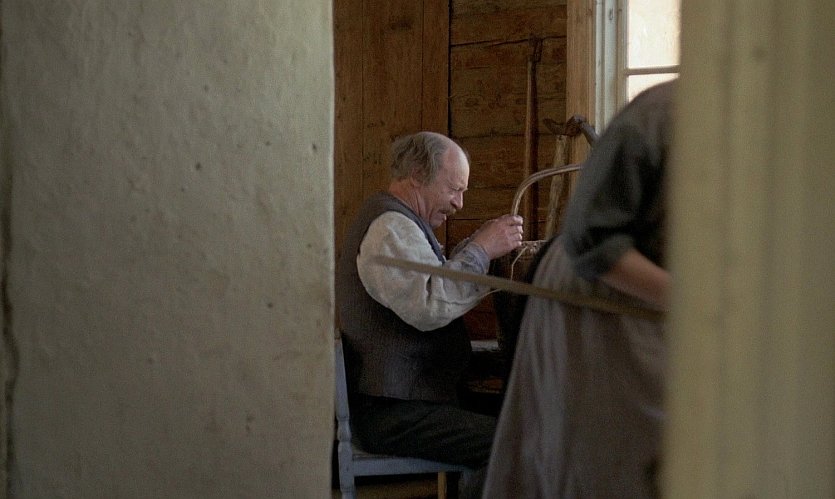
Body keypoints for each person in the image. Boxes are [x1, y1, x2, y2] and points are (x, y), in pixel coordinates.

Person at [482, 79, 676, 498]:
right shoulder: (661, 115)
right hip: (601, 301)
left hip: (666, 309)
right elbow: (592, 238)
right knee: (607, 460)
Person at [336, 131, 524, 498]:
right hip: (392, 413)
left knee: (524, 420)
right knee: (516, 444)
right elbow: (430, 304)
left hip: (411, 400)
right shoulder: (389, 228)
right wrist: (482, 249)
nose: (459, 204)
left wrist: (478, 247)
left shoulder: (401, 223)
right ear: (418, 176)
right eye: (454, 189)